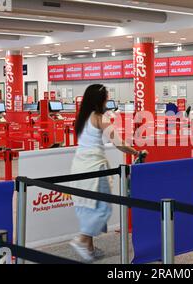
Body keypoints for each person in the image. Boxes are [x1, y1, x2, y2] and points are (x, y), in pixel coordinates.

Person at [69, 84, 146, 263]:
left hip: (79, 166)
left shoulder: (82, 118)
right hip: (95, 168)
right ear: (100, 100)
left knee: (89, 206)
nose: (107, 101)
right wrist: (135, 152)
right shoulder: (100, 118)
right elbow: (118, 142)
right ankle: (81, 239)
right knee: (104, 207)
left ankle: (89, 247)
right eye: (106, 98)